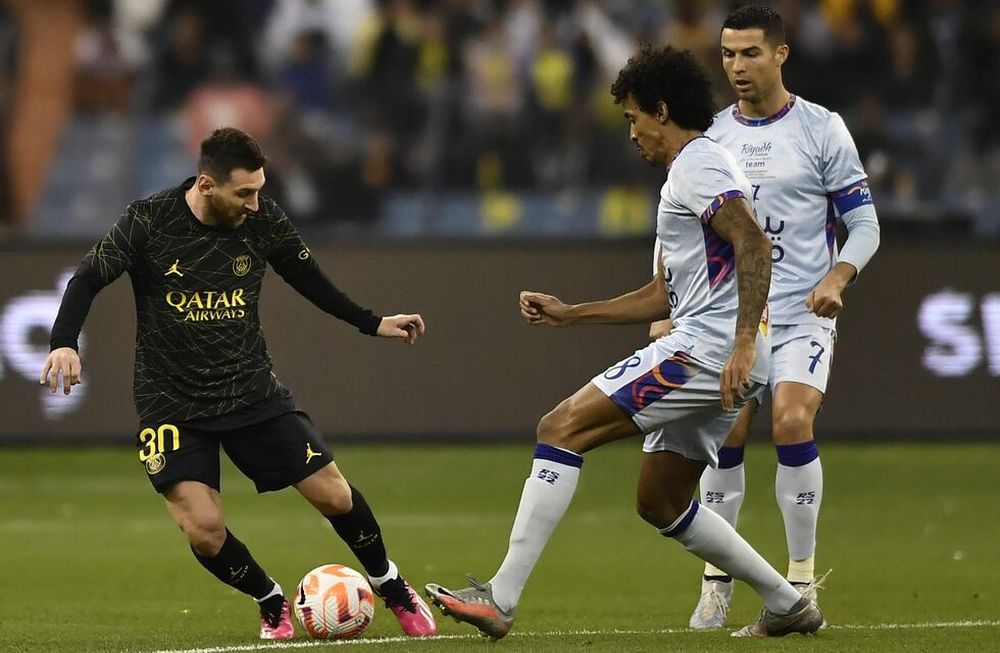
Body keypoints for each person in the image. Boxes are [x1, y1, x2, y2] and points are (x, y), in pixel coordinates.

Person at [425, 44, 823, 639]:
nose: (632, 133)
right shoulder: (692, 173)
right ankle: (788, 603)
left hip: (706, 352)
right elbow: (667, 294)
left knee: (559, 428)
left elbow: (754, 245)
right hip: (717, 347)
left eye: (635, 117)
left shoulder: (698, 165)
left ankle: (500, 598)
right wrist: (573, 314)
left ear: (661, 111)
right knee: (660, 501)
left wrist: (741, 344)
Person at [38, 127, 438, 641]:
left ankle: (390, 584)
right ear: (206, 185)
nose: (255, 203)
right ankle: (271, 600)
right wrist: (64, 341)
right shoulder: (150, 220)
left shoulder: (262, 219)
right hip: (171, 402)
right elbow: (88, 276)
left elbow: (309, 278)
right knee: (203, 532)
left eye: (260, 189)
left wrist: (372, 321)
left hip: (250, 389)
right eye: (244, 193)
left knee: (335, 495)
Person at [663, 5, 880, 629]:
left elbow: (863, 223)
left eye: (750, 53)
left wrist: (838, 276)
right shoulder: (710, 138)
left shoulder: (821, 129)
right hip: (732, 320)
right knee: (725, 439)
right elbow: (679, 228)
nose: (736, 66)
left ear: (781, 54)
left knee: (790, 421)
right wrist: (671, 306)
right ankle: (716, 584)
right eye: (728, 54)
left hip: (802, 313)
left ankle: (802, 582)